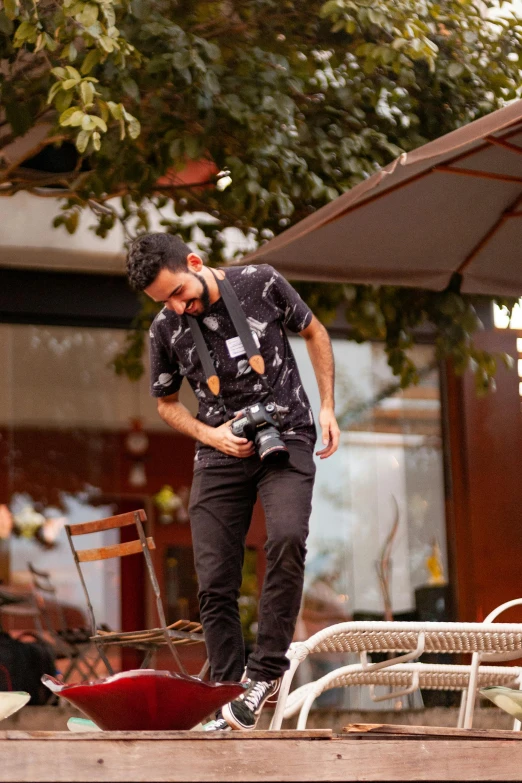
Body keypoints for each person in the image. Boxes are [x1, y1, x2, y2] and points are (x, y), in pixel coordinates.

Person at [126, 232, 340, 731]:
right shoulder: (165, 328)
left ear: (195, 262)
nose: (178, 308)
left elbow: (315, 332)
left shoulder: (260, 282)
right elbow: (165, 403)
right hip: (220, 450)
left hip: (286, 434)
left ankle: (263, 674)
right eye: (165, 302)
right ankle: (226, 693)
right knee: (214, 578)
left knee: (287, 539)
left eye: (179, 293)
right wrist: (212, 436)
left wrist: (327, 405)